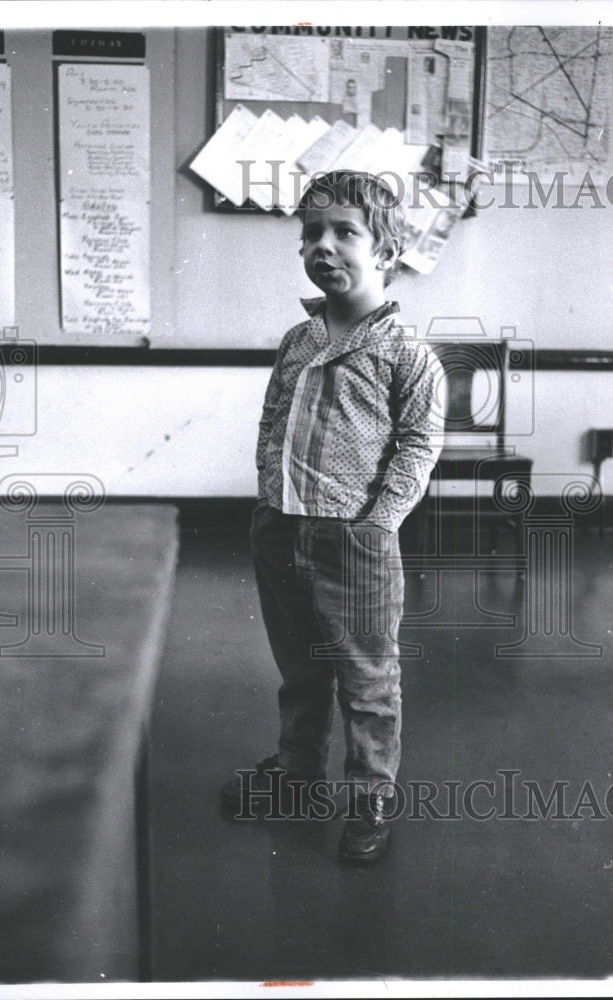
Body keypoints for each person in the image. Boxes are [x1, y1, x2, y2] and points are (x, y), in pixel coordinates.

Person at [220, 171, 444, 863]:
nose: (324, 245)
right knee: (300, 665)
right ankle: (298, 778)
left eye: (344, 230)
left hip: (356, 542)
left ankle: (370, 795)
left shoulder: (407, 354)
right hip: (280, 527)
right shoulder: (298, 340)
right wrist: (267, 495)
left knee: (368, 677)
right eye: (311, 232)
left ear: (386, 248)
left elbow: (418, 445)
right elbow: (270, 422)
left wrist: (377, 522)